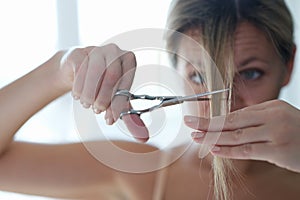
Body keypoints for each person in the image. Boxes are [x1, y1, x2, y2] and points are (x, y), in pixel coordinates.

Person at [0, 0, 300, 199]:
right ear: (176, 73)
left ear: (287, 68)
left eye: (250, 74)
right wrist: (59, 71)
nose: (225, 102)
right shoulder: (137, 176)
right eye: (199, 77)